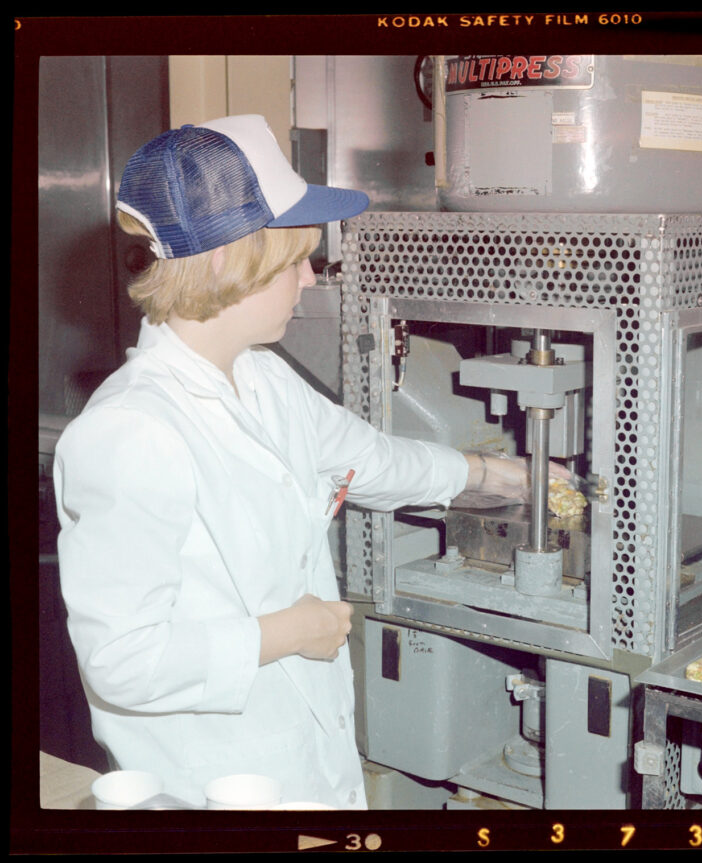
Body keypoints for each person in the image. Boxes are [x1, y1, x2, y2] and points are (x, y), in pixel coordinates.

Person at [53, 114, 559, 809]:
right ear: (228, 257)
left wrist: (499, 476)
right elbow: (121, 662)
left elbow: (373, 459)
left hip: (300, 766)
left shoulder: (263, 378)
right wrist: (284, 632)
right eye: (292, 259)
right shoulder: (129, 432)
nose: (307, 276)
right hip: (207, 793)